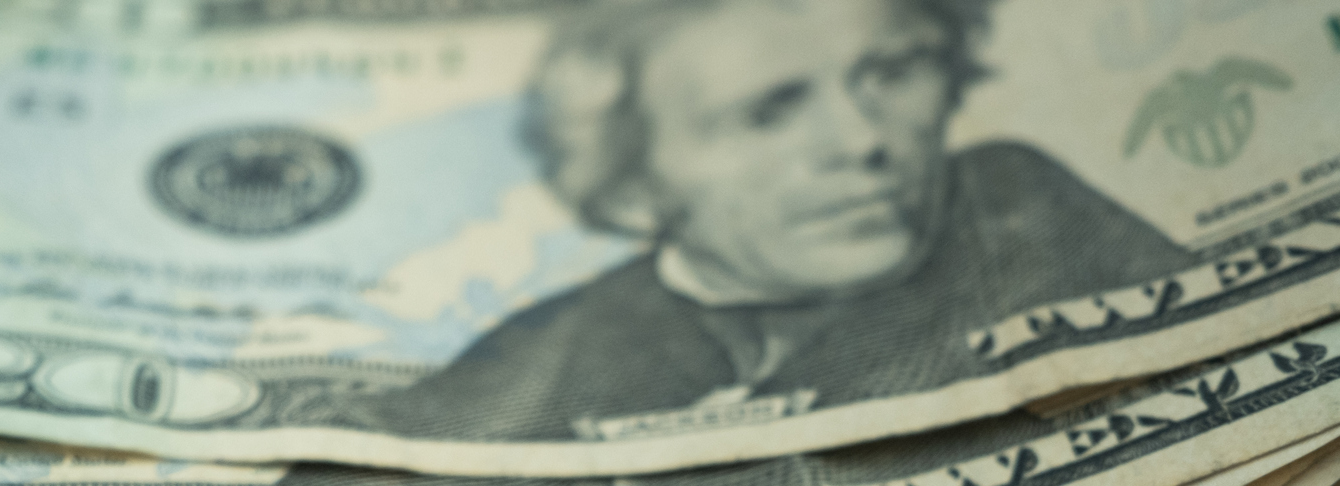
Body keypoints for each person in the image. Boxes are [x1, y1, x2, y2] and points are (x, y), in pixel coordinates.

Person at [332, 0, 1189, 444]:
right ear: (634, 187)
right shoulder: (532, 377)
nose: (862, 141)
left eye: (892, 72)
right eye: (770, 112)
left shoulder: (1020, 200)